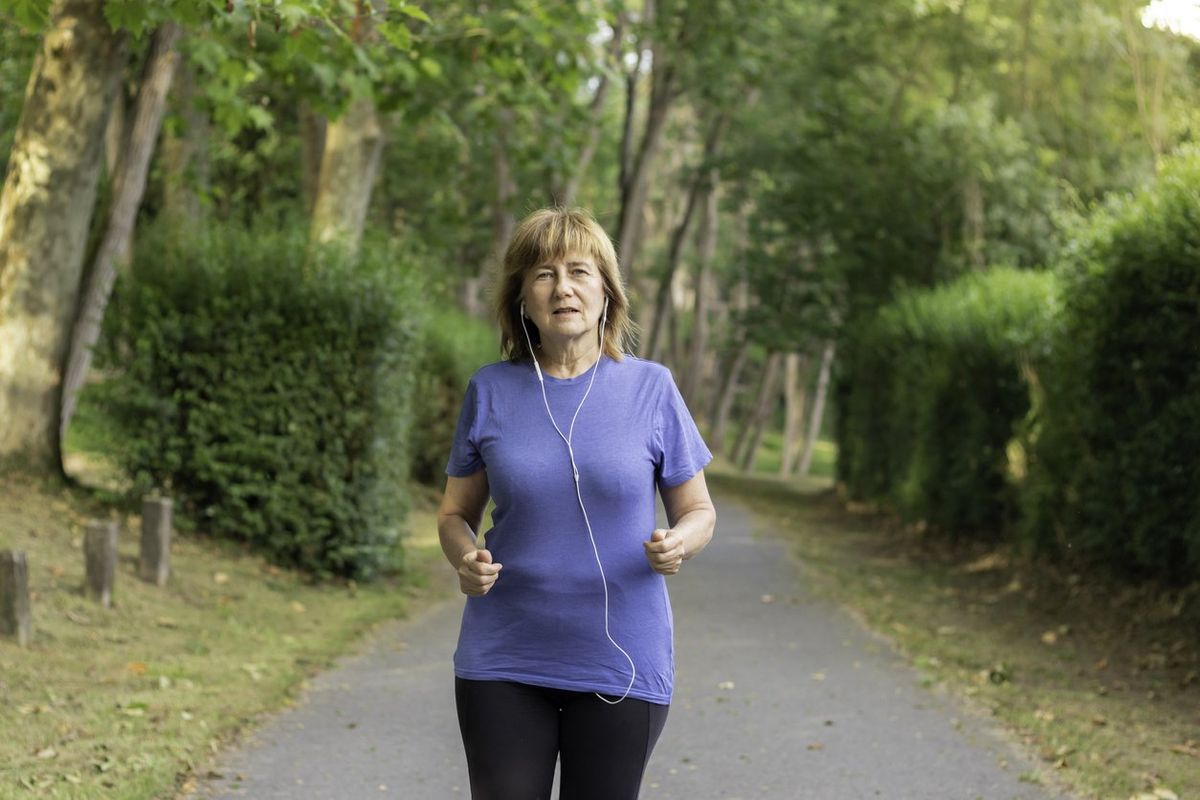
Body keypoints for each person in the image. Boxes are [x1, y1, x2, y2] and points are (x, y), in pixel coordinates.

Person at [437, 207, 717, 800]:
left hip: (623, 661)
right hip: (504, 657)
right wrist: (465, 558)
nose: (562, 287)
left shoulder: (652, 388)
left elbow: (699, 511)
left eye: (579, 271)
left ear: (606, 293)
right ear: (522, 299)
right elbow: (454, 513)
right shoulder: (490, 389)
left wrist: (678, 544)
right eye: (542, 274)